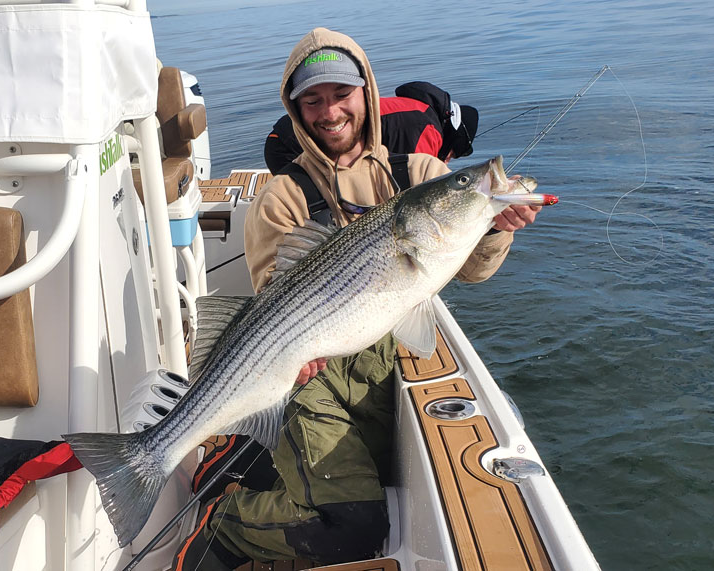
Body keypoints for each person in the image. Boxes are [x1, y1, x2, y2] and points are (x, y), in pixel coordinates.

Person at [173, 27, 540, 570]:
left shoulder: (419, 173)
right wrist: (291, 362)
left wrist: (494, 226)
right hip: (313, 378)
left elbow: (472, 271)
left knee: (389, 480)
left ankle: (252, 459)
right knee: (354, 526)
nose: (330, 112)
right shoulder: (281, 197)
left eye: (342, 94)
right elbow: (271, 309)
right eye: (313, 101)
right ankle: (225, 523)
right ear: (296, 110)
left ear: (366, 92)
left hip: (386, 366)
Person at [264, 81, 479, 174]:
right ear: (453, 137)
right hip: (291, 146)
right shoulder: (428, 130)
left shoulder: (420, 110)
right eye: (452, 154)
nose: (447, 161)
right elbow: (415, 186)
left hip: (283, 137)